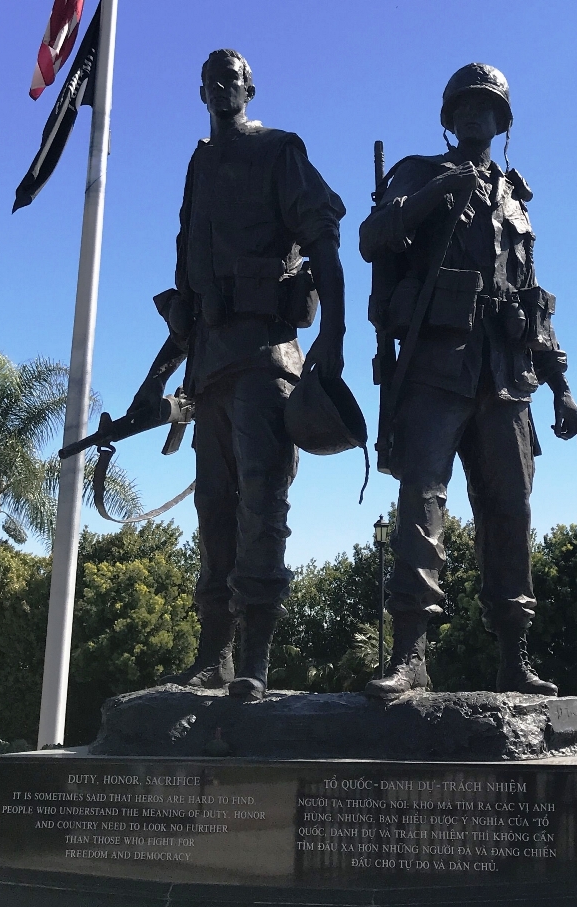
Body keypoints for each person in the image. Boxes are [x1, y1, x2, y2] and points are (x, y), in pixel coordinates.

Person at [360, 63, 577, 698]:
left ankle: (514, 656)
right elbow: (373, 239)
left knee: (509, 512)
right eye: (463, 107)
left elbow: (533, 300)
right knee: (420, 504)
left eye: (486, 108)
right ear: (448, 117)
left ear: (502, 122)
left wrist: (560, 384)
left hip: (507, 379)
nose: (474, 116)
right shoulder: (419, 173)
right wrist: (435, 195)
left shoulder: (516, 197)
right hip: (435, 370)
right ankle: (409, 656)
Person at [129, 49, 346, 700]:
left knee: (262, 509)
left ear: (250, 86)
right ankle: (213, 657)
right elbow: (187, 299)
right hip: (213, 367)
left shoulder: (279, 150)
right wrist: (154, 386)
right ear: (201, 93)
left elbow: (326, 236)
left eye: (234, 77)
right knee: (214, 512)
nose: (223, 87)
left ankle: (254, 661)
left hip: (266, 362)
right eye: (212, 80)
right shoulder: (199, 163)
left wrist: (332, 340)